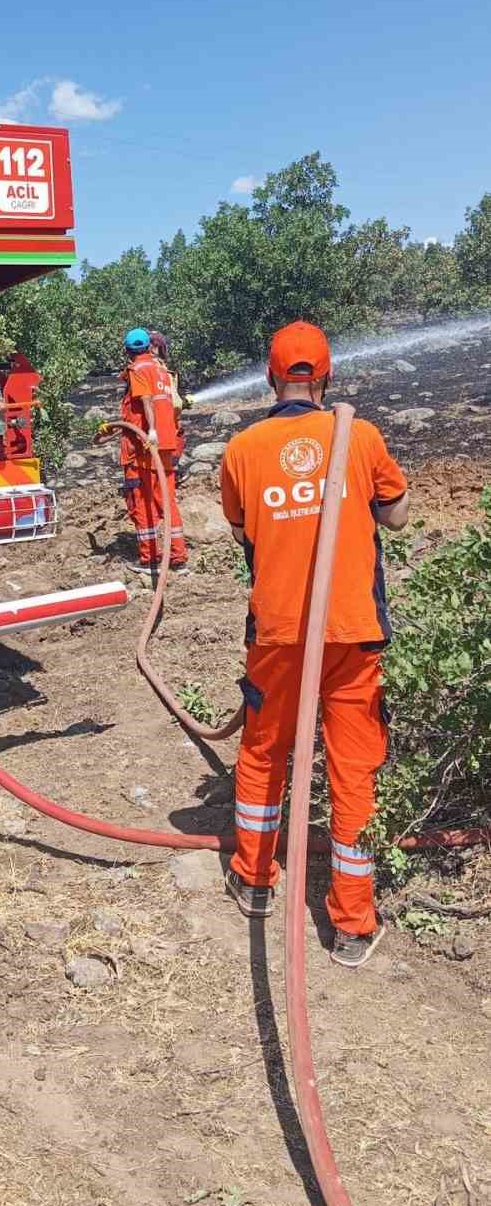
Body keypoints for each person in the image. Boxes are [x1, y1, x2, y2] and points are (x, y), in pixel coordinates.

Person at [219, 320, 409, 968]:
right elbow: (398, 513)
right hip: (352, 632)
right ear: (325, 377)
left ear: (272, 378)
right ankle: (353, 926)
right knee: (352, 771)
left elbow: (242, 528)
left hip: (277, 634)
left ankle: (255, 880)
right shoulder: (361, 437)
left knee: (265, 753)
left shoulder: (243, 449)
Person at [118, 327, 189, 578]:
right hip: (167, 444)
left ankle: (150, 560)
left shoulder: (138, 370)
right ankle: (179, 558)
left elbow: (146, 401)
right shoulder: (162, 371)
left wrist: (150, 431)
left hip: (143, 448)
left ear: (127, 351)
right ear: (150, 347)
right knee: (167, 501)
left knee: (142, 501)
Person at [148, 330, 186, 460]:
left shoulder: (142, 368)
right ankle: (172, 473)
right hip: (163, 429)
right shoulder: (160, 370)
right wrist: (182, 403)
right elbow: (174, 404)